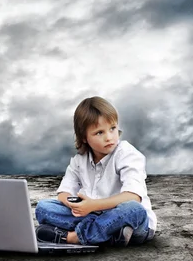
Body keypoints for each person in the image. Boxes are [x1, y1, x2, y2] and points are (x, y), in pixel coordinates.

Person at [34, 96, 157, 246]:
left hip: (132, 221)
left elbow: (133, 197)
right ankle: (111, 235)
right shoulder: (79, 160)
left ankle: (73, 237)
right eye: (99, 132)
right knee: (43, 208)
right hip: (94, 215)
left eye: (112, 128)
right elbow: (63, 193)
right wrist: (76, 206)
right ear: (84, 137)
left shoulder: (127, 154)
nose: (109, 137)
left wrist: (93, 205)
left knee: (133, 209)